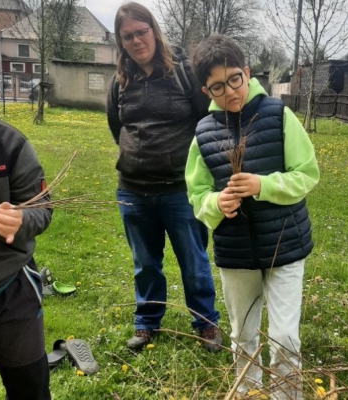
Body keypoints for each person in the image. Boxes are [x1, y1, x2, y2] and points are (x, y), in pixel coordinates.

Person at [186, 33, 320, 399]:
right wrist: (217, 204)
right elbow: (196, 194)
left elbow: (307, 174)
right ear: (205, 91)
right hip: (236, 252)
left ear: (247, 73)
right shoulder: (203, 134)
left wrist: (263, 185)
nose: (229, 92)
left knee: (284, 337)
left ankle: (285, 395)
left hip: (284, 244)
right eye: (217, 87)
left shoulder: (279, 116)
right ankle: (248, 393)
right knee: (242, 335)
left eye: (234, 79)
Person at [106, 2, 221, 352]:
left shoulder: (185, 73)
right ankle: (146, 323)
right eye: (128, 36)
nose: (137, 40)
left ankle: (206, 324)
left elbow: (207, 124)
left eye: (141, 32)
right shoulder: (120, 82)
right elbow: (117, 126)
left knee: (194, 260)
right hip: (133, 191)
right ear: (121, 42)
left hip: (180, 190)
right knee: (145, 263)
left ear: (154, 31)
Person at [0, 119, 52, 400]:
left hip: (12, 289)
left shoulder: (9, 144)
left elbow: (42, 208)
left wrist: (20, 219)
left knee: (30, 387)